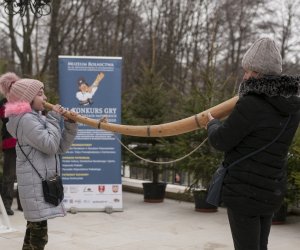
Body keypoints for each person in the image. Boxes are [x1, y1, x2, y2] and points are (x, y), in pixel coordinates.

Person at [205, 37, 300, 250]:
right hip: (270, 190)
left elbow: (221, 140)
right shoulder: (293, 107)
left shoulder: (250, 104)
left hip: (244, 193)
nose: (245, 75)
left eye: (247, 70)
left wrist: (212, 124)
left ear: (258, 72)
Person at [0, 72, 78, 249]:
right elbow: (50, 145)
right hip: (35, 186)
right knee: (39, 236)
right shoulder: (25, 120)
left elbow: (59, 148)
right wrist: (53, 117)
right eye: (41, 93)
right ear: (27, 98)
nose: (46, 97)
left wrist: (70, 125)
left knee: (33, 233)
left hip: (39, 185)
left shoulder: (36, 118)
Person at [0, 97, 19, 215]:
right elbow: (4, 116)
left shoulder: (27, 100)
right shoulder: (4, 102)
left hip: (26, 142)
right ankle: (6, 205)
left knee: (26, 175)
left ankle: (24, 205)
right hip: (10, 142)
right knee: (9, 175)